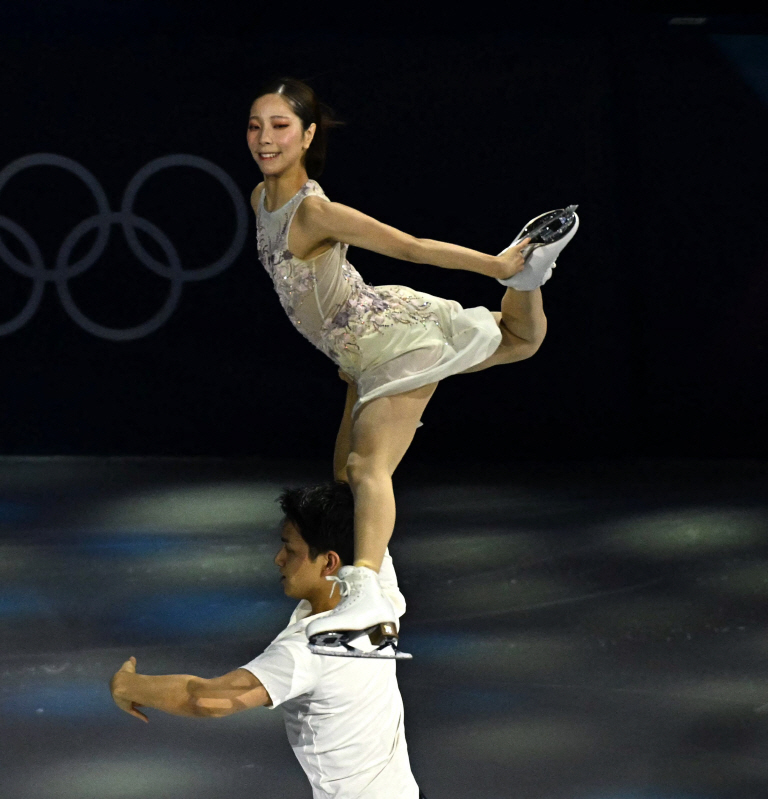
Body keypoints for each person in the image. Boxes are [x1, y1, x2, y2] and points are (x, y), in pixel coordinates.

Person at [248, 77, 578, 656]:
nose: (265, 138)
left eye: (280, 126)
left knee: (365, 467)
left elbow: (411, 246)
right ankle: (530, 279)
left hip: (388, 342)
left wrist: (493, 265)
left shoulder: (316, 212)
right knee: (518, 342)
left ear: (307, 136)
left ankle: (367, 596)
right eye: (256, 125)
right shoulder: (260, 197)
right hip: (358, 351)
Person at [109, 482, 424, 799]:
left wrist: (125, 686)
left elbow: (204, 699)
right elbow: (360, 481)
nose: (278, 558)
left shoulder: (308, 648)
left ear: (329, 562)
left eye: (290, 550)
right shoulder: (376, 595)